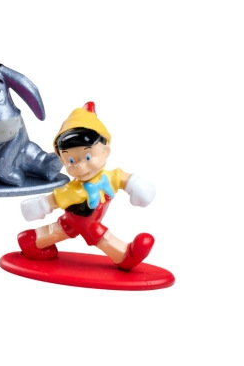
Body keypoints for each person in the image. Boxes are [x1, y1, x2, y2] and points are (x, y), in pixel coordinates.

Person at [18, 102, 156, 270]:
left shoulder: (110, 177)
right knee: (95, 232)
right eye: (70, 161)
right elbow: (54, 199)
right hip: (83, 219)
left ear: (105, 152)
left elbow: (125, 180)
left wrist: (137, 187)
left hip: (75, 220)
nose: (80, 166)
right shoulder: (73, 189)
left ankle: (31, 240)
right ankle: (124, 255)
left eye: (88, 157)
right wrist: (40, 205)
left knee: (62, 229)